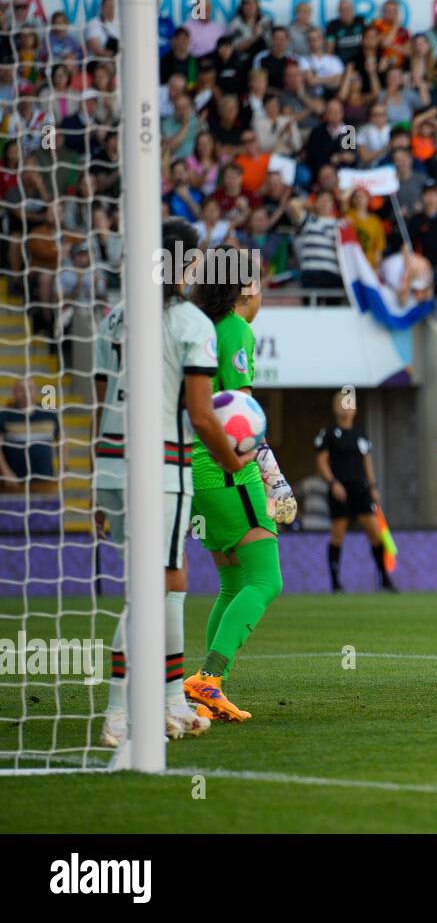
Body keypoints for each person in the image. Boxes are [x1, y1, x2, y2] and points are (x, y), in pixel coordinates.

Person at [96, 221, 248, 748]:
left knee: (172, 582)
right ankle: (120, 713)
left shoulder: (114, 317)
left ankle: (169, 703)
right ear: (186, 263)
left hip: (111, 466)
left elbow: (99, 404)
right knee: (153, 590)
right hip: (159, 471)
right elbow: (204, 416)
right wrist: (233, 461)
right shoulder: (189, 321)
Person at [185, 246, 296, 723]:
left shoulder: (197, 329)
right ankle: (209, 678)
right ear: (246, 288)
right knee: (266, 580)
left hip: (192, 470)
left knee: (232, 581)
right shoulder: (237, 331)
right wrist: (275, 481)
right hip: (227, 469)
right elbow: (240, 423)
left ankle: (205, 686)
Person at [315, 389, 396, 593]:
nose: (346, 409)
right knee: (337, 536)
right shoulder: (329, 434)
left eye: (349, 405)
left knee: (375, 534)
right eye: (343, 405)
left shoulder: (360, 434)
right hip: (340, 491)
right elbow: (322, 462)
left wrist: (373, 486)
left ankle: (384, 579)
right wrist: (333, 483)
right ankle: (335, 583)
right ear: (336, 408)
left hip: (360, 489)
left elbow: (367, 462)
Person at [0, 379, 61, 491]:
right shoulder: (4, 415)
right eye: (21, 390)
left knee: (44, 508)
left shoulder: (49, 414)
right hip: (13, 482)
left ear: (36, 392)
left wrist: (64, 469)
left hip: (44, 479)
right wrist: (6, 472)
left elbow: (61, 441)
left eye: (30, 389)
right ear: (14, 392)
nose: (25, 393)